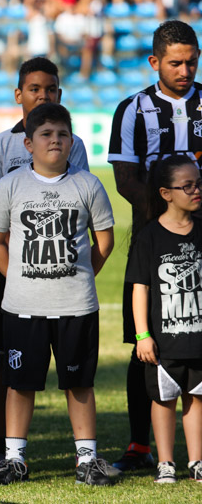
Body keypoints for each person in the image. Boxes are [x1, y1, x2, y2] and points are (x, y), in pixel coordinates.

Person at [0, 103, 115, 486]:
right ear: (28, 143)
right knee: (20, 383)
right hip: (24, 307)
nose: (54, 140)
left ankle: (86, 459)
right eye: (46, 134)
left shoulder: (87, 184)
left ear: (72, 141)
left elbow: (102, 242)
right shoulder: (11, 185)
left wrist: (80, 275)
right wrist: (19, 278)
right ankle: (14, 459)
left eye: (62, 134)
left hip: (76, 305)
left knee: (79, 382)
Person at [0, 57, 90, 475]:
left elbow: (83, 211)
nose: (43, 95)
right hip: (14, 274)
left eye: (52, 89)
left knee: (74, 365)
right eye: (35, 88)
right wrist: (19, 275)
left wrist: (76, 270)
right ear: (19, 94)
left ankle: (84, 451)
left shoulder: (72, 146)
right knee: (9, 358)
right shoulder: (2, 145)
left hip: (63, 277)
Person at [107, 19, 202, 471]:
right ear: (154, 62)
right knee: (144, 345)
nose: (185, 70)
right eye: (175, 63)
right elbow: (125, 176)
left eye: (192, 61)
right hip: (151, 241)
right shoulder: (132, 109)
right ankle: (140, 445)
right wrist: (166, 218)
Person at [126, 155, 202, 484]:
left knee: (197, 397)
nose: (196, 190)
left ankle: (197, 461)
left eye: (198, 183)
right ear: (166, 193)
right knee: (164, 399)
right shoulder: (149, 237)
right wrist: (143, 335)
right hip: (164, 339)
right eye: (187, 186)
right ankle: (166, 463)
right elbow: (140, 289)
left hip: (198, 338)